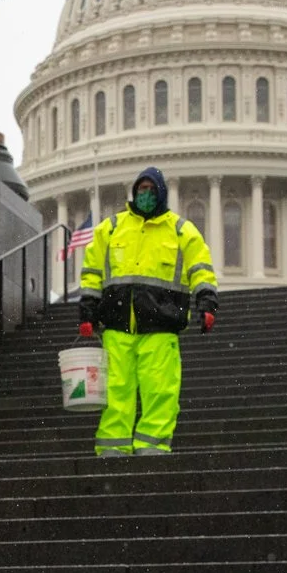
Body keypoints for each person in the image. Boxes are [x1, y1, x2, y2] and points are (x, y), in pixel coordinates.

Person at [77, 166, 218, 456]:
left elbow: (200, 269)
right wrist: (87, 312)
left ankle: (152, 447)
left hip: (161, 326)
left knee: (161, 391)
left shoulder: (181, 231)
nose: (146, 195)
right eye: (141, 189)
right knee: (116, 393)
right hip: (117, 327)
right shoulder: (111, 228)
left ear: (162, 193)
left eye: (151, 190)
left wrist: (206, 303)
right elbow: (92, 273)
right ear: (133, 192)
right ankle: (112, 449)